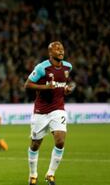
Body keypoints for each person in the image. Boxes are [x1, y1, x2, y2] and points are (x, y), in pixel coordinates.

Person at [24, 41, 75, 185]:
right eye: (57, 49)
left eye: (62, 48)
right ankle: (33, 175)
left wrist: (65, 89)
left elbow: (61, 83)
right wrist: (45, 87)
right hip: (41, 111)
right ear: (50, 53)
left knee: (60, 141)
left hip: (58, 110)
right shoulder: (41, 68)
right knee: (35, 144)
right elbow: (27, 84)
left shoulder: (67, 67)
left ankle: (50, 174)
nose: (61, 51)